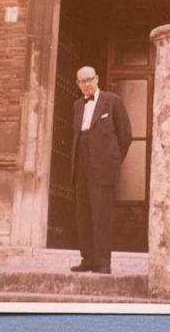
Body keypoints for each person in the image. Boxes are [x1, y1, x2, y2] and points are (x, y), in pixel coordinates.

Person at [70, 65, 132, 274]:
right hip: (81, 164)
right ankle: (87, 259)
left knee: (101, 214)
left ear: (97, 79)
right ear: (78, 84)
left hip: (103, 166)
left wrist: (113, 160)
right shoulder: (78, 105)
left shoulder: (112, 101)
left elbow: (125, 134)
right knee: (83, 214)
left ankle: (103, 262)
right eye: (82, 81)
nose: (86, 84)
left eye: (90, 79)